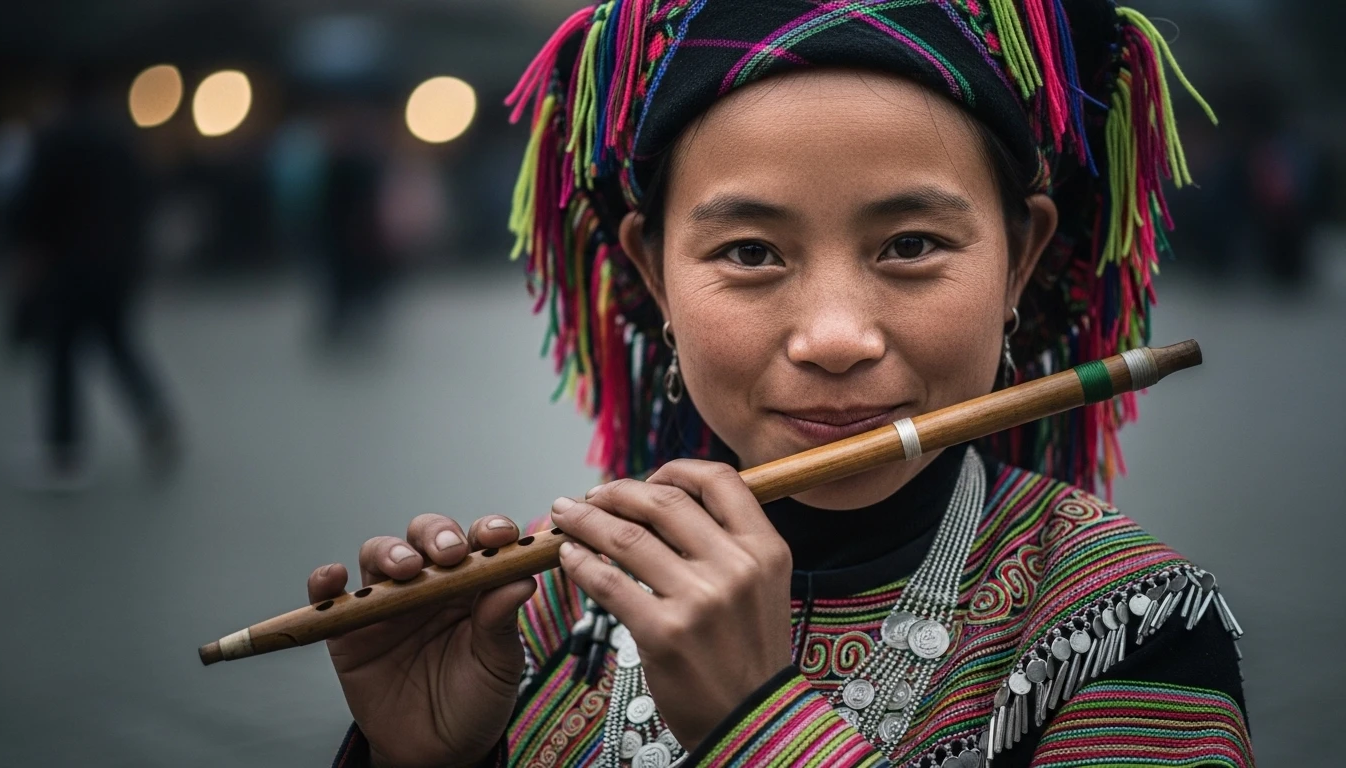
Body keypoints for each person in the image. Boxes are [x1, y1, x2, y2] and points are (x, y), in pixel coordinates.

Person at [309, 1, 1252, 766]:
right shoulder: (555, 609)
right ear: (653, 276)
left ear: (1018, 260)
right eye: (751, 252)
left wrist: (755, 721)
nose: (835, 338)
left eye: (912, 246)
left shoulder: (1132, 624)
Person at [12, 67, 180, 487]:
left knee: (62, 354)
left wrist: (27, 253)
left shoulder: (55, 137)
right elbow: (144, 199)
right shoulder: (121, 138)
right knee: (117, 342)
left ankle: (64, 450)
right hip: (117, 264)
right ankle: (154, 413)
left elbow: (35, 202)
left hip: (68, 263)